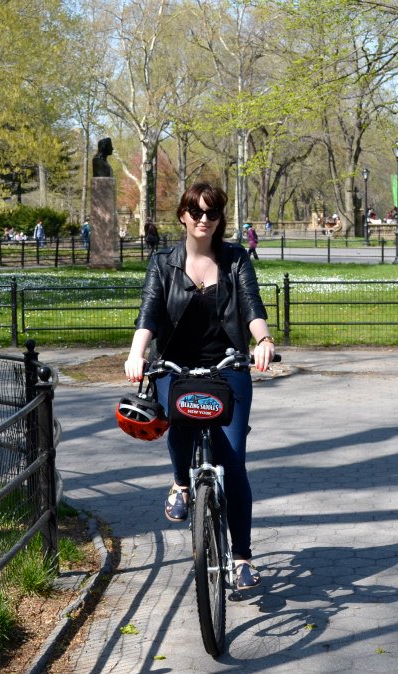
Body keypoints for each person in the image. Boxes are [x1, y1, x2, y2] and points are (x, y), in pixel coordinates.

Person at [124, 182, 275, 590]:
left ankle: (241, 558)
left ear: (220, 218)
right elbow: (149, 312)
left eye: (212, 213)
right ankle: (181, 481)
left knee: (233, 461)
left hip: (228, 367)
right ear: (183, 216)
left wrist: (263, 341)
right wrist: (137, 354)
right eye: (197, 212)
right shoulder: (162, 262)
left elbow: (251, 306)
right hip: (176, 365)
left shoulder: (236, 259)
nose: (204, 219)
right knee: (179, 425)